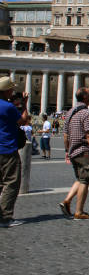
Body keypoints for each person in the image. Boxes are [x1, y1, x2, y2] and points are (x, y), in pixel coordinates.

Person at [59, 87, 89, 220]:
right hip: (83, 151)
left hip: (73, 151)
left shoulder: (70, 112)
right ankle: (79, 211)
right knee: (85, 180)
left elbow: (65, 135)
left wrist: (67, 151)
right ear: (85, 98)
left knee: (80, 178)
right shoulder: (86, 113)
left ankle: (67, 201)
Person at [0, 77, 29, 227]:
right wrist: (24, 104)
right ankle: (5, 217)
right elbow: (23, 120)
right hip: (7, 149)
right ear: (7, 90)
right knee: (11, 182)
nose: (13, 91)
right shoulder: (7, 107)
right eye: (11, 88)